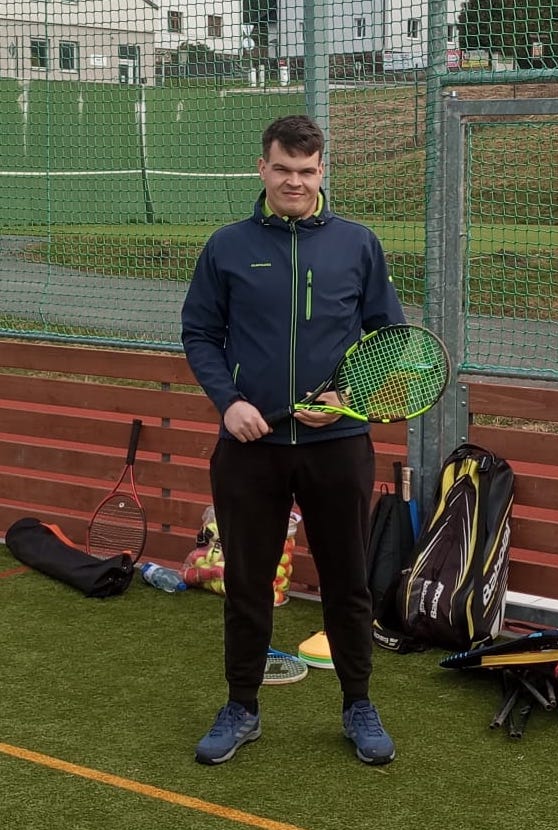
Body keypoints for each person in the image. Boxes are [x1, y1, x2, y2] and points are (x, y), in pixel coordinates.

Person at [181, 114, 405, 766]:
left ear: (322, 171)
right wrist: (229, 403)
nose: (295, 182)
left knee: (347, 582)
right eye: (283, 169)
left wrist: (348, 397)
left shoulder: (358, 244)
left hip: (339, 444)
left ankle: (358, 705)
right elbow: (200, 333)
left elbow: (389, 338)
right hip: (251, 448)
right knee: (247, 585)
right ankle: (241, 708)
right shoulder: (226, 246)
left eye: (306, 171)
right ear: (263, 168)